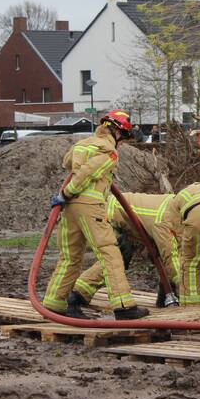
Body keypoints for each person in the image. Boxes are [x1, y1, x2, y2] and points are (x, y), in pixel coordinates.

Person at [42, 110, 149, 320]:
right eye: (123, 137)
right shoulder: (109, 151)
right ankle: (123, 306)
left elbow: (67, 162)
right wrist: (66, 192)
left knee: (70, 257)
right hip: (90, 207)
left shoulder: (83, 144)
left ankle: (54, 303)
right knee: (110, 253)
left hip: (70, 209)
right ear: (117, 132)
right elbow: (88, 172)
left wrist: (67, 196)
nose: (122, 142)